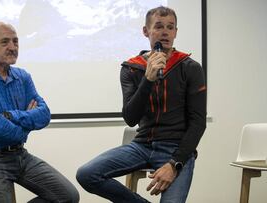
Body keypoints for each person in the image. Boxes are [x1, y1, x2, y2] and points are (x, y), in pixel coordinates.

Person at [76, 6, 206, 203]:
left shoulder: (190, 68)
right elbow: (130, 118)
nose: (165, 32)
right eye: (159, 26)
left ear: (176, 33)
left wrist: (174, 164)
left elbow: (198, 123)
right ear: (146, 31)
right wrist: (148, 79)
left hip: (176, 148)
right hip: (141, 145)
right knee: (86, 174)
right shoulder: (131, 68)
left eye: (170, 27)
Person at [0, 22, 79, 203]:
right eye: (4, 42)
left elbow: (44, 114)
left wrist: (10, 116)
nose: (12, 47)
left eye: (15, 41)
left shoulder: (22, 76)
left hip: (19, 155)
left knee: (68, 196)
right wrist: (25, 126)